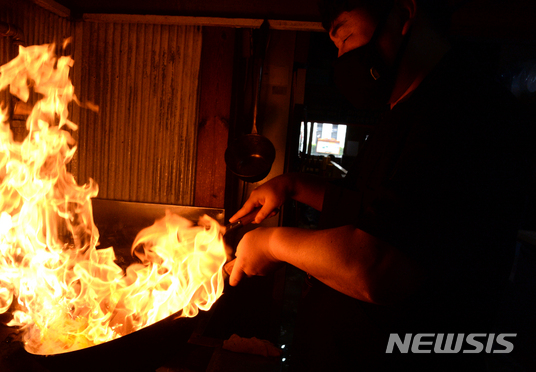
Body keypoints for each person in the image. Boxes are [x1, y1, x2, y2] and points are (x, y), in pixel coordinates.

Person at [227, 0, 534, 370]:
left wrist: (273, 243)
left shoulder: (466, 112)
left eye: (345, 36)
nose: (340, 57)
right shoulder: (405, 109)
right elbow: (373, 210)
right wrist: (291, 186)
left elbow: (378, 267)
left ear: (403, 16)